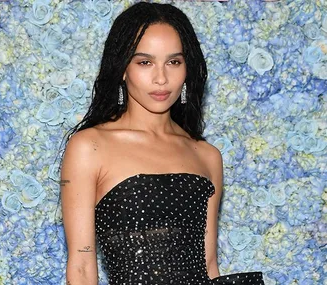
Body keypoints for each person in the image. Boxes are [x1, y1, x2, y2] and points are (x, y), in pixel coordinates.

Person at [60, 2, 264, 284]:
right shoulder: (89, 147)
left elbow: (209, 265)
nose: (161, 78)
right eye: (145, 62)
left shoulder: (207, 156)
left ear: (187, 69)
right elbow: (82, 265)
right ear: (122, 69)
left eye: (174, 62)